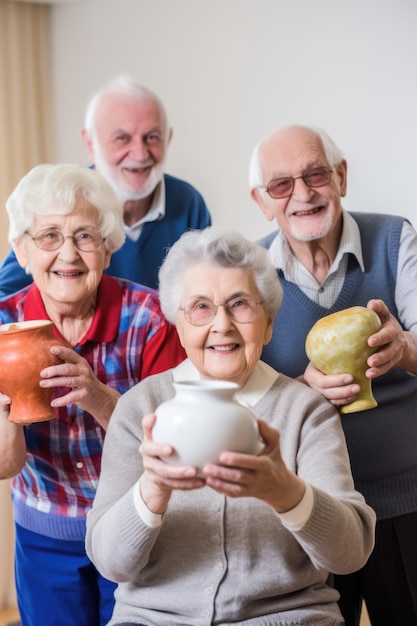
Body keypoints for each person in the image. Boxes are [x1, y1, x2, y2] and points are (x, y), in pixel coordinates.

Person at [86, 226, 375, 626]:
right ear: (179, 326)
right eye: (201, 307)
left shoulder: (305, 410)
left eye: (240, 304)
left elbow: (350, 553)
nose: (221, 325)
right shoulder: (141, 409)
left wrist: (286, 492)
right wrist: (152, 488)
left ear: (268, 324)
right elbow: (110, 562)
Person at [0, 163, 186, 626]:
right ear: (21, 251)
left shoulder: (150, 320)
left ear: (107, 248)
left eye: (85, 236)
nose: (68, 253)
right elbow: (4, 465)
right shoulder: (2, 330)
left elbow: (177, 441)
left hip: (137, 525)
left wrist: (98, 396)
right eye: (48, 236)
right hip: (43, 535)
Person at [249, 124, 417, 626]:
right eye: (281, 184)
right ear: (262, 201)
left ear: (341, 176)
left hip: (407, 499)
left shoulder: (395, 238)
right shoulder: (250, 271)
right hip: (311, 509)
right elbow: (239, 388)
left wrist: (405, 348)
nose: (302, 194)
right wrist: (301, 390)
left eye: (316, 174)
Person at [0, 74, 211, 296]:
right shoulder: (60, 202)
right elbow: (5, 299)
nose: (140, 154)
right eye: (122, 138)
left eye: (151, 137)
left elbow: (205, 291)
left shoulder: (188, 203)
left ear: (167, 139)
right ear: (90, 143)